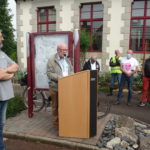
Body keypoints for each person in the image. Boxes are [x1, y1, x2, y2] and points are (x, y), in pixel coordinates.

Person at [47, 43, 74, 128]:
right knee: (56, 106)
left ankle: (65, 122)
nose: (65, 52)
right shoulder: (52, 60)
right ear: (58, 50)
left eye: (66, 50)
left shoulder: (67, 59)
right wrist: (60, 78)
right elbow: (49, 73)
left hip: (66, 87)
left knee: (65, 106)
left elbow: (71, 70)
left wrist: (73, 76)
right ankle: (56, 124)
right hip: (56, 87)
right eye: (63, 50)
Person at [0, 30, 18, 150]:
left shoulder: (1, 53)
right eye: (0, 37)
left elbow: (15, 66)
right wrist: (8, 74)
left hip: (4, 95)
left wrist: (6, 72)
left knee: (1, 124)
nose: (2, 39)